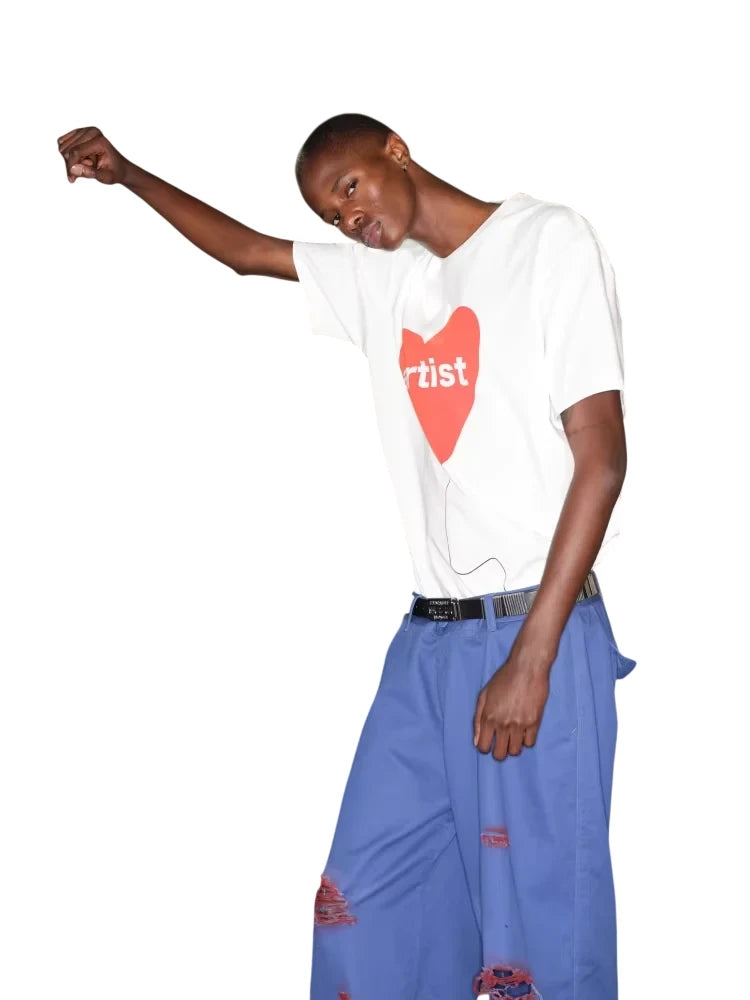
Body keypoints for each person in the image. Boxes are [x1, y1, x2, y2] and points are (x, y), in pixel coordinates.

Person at [57, 113, 637, 1000]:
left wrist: (534, 656)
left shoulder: (547, 243)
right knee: (365, 901)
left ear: (395, 151)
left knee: (544, 937)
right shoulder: (382, 277)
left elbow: (601, 460)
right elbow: (248, 253)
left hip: (537, 628)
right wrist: (128, 174)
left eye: (350, 188)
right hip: (428, 644)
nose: (347, 218)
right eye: (331, 213)